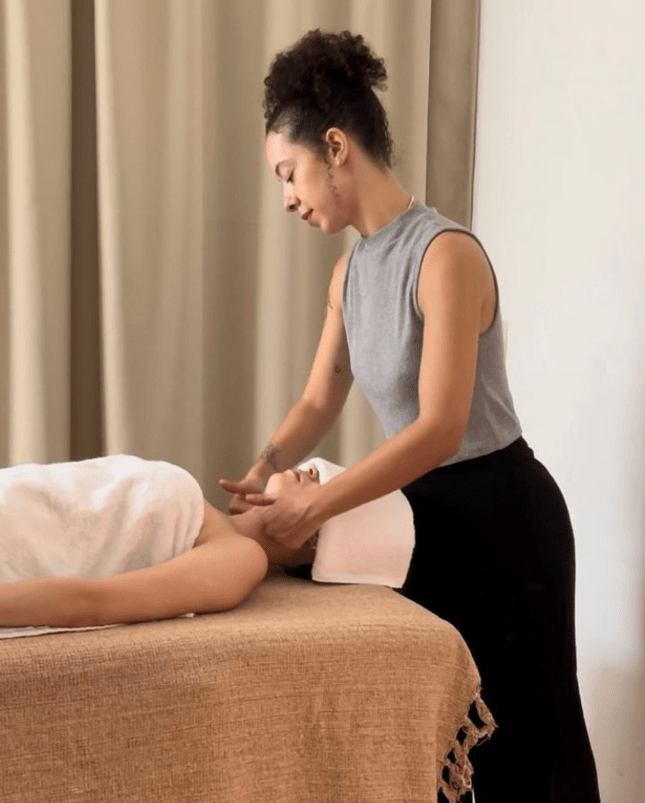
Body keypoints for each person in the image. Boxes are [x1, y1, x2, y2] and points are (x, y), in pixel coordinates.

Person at [219, 29, 601, 803]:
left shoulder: (444, 255)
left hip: (505, 515)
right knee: (453, 744)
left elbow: (439, 427)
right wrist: (263, 472)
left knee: (530, 742)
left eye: (288, 174)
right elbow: (317, 400)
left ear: (334, 147)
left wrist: (315, 505)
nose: (286, 197)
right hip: (431, 508)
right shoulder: (350, 273)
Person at [0, 455, 321, 631]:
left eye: (322, 482)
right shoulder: (205, 514)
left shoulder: (241, 558)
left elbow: (93, 604)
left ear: (316, 540)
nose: (310, 469)